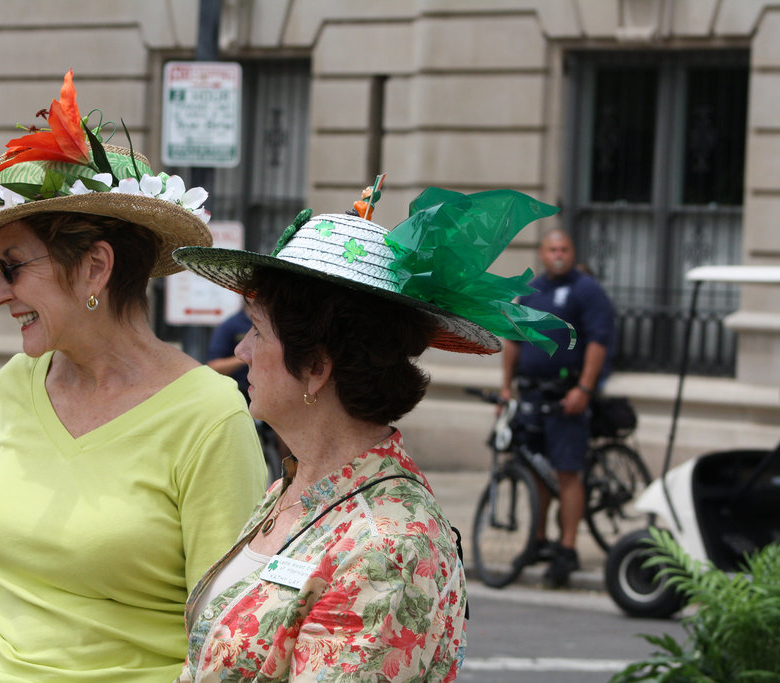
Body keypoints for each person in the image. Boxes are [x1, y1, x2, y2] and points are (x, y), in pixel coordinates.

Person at [0, 70, 266, 682]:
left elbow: (228, 633)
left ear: (93, 268)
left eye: (12, 269)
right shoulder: (14, 384)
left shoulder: (208, 416)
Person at [171, 185, 571, 681]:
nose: (242, 349)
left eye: (257, 329)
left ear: (316, 367)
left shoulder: (387, 544)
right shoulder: (294, 487)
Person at [499, 228, 616, 588]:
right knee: (535, 469)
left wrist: (585, 387)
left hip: (569, 397)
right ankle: (538, 540)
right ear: (542, 253)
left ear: (572, 251)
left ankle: (567, 549)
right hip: (533, 395)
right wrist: (507, 387)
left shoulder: (586, 290)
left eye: (564, 248)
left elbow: (599, 341)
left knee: (567, 472)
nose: (558, 254)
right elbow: (514, 339)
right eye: (552, 249)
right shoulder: (532, 291)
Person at [206, 307, 253, 399]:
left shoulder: (272, 323)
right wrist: (244, 358)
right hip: (241, 391)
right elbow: (214, 366)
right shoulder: (230, 325)